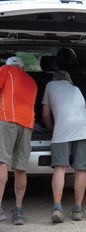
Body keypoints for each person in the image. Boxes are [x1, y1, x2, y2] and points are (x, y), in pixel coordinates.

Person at [42, 48, 86, 223]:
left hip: (62, 129)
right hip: (84, 129)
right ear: (68, 80)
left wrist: (50, 129)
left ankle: (57, 207)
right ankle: (78, 210)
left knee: (60, 168)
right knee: (81, 170)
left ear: (55, 78)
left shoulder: (49, 85)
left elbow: (46, 114)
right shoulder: (76, 88)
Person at [0, 56, 37, 225]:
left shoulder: (5, 70)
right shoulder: (32, 82)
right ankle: (18, 210)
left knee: (1, 163)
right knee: (20, 167)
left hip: (7, 120)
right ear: (23, 67)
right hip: (27, 124)